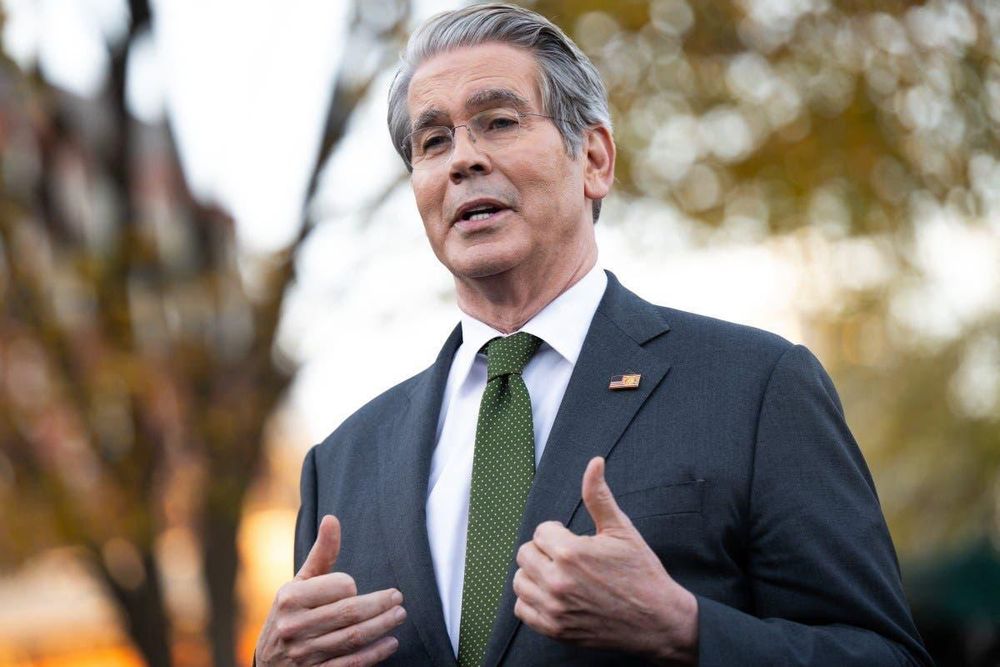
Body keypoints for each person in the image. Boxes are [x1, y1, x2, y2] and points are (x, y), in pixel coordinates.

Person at [255, 4, 931, 666]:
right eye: (433, 141)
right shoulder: (339, 463)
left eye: (499, 122)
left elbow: (886, 653)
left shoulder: (754, 388)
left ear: (595, 159)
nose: (463, 159)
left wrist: (685, 628)